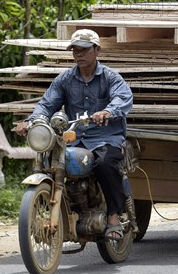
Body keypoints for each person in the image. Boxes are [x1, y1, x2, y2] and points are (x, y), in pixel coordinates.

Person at [15, 29, 133, 240]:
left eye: (84, 50)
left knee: (106, 164)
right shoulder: (65, 79)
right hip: (75, 139)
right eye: (75, 50)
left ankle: (113, 217)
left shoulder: (111, 77)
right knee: (53, 159)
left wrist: (108, 111)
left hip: (105, 138)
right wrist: (31, 121)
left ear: (97, 50)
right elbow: (47, 103)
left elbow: (123, 98)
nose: (79, 54)